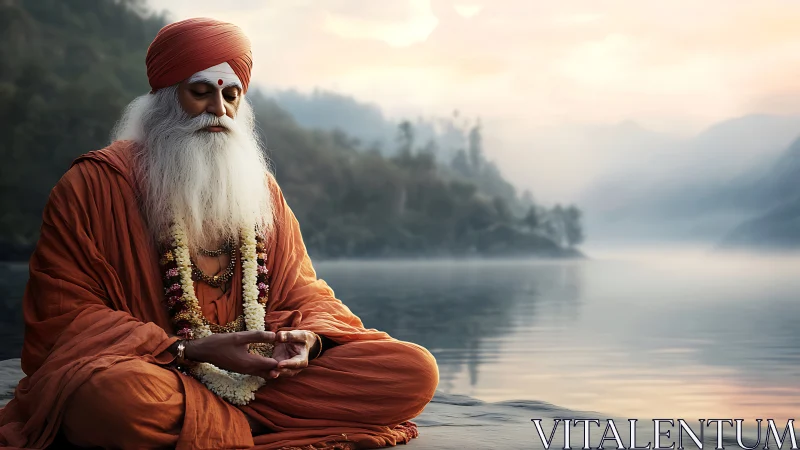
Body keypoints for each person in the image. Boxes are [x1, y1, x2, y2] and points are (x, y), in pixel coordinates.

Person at [0, 17, 439, 450]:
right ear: (165, 99)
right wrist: (193, 350)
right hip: (158, 370)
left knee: (412, 370)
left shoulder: (257, 188)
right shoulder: (94, 185)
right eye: (200, 92)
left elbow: (304, 294)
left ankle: (210, 424)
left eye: (232, 95)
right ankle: (254, 422)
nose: (219, 109)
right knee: (115, 400)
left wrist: (312, 340)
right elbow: (67, 317)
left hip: (259, 377)